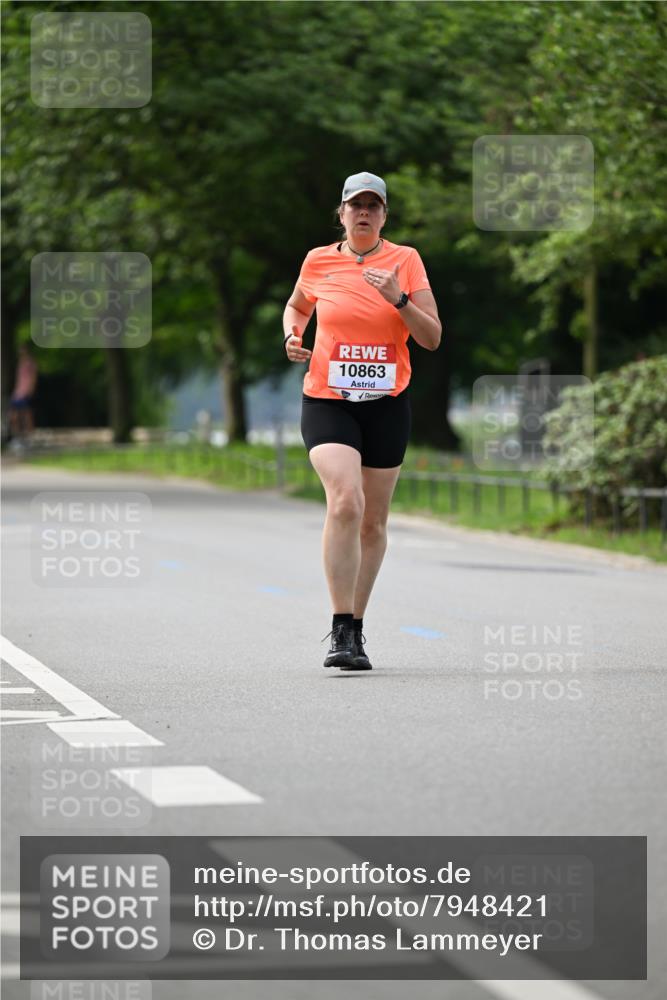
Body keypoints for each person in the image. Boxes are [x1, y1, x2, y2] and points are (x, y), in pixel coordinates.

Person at [283, 171, 441, 671]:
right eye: (357, 205)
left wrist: (399, 297)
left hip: (387, 402)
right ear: (343, 212)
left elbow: (432, 337)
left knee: (373, 521)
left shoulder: (406, 261)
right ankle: (338, 625)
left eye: (374, 206)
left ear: (385, 215)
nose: (365, 213)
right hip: (328, 398)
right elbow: (296, 305)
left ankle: (354, 631)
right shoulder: (318, 260)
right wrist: (293, 333)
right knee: (346, 501)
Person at [8, 344, 39, 442]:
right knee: (14, 415)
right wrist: (16, 390)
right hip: (18, 392)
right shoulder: (20, 363)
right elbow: (18, 379)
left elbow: (34, 377)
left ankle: (30, 435)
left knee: (26, 413)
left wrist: (30, 390)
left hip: (25, 391)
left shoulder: (30, 363)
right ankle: (18, 436)